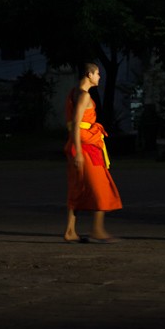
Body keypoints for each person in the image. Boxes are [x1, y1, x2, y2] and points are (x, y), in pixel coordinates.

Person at [63, 62, 123, 243]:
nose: (99, 77)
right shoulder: (83, 96)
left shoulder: (74, 92)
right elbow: (75, 123)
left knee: (78, 188)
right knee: (101, 187)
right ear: (89, 74)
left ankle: (70, 231)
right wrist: (79, 153)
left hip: (80, 144)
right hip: (84, 147)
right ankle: (97, 230)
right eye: (97, 74)